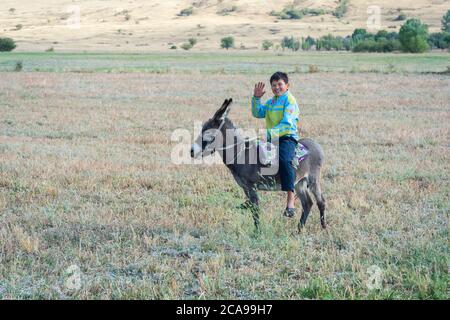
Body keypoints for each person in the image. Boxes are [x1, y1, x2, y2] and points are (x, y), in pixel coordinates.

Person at [251, 71, 300, 218]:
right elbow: (257, 112)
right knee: (250, 156)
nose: (277, 87)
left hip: (286, 138)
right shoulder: (272, 102)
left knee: (285, 161)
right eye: (274, 85)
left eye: (280, 84)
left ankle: (291, 200)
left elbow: (287, 124)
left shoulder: (290, 101)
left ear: (287, 85)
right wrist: (256, 98)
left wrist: (268, 135)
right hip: (271, 138)